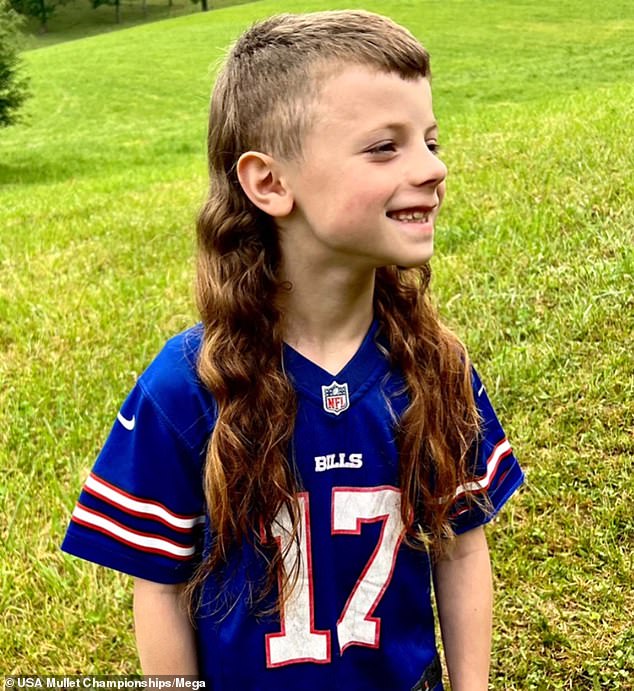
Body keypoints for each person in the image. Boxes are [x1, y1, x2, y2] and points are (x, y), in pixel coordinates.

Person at [62, 10, 524, 691]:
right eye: (384, 147)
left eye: (429, 139)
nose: (433, 167)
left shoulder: (435, 366)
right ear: (270, 182)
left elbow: (460, 549)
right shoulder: (184, 387)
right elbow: (159, 586)